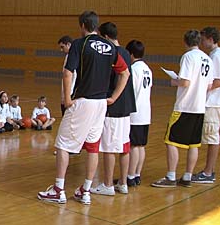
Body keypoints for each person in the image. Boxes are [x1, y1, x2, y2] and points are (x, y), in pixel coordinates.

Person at [38, 11, 129, 205]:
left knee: (62, 145)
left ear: (82, 25)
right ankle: (85, 191)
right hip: (101, 104)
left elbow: (67, 72)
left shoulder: (80, 44)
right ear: (96, 26)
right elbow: (125, 73)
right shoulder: (111, 47)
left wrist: (68, 99)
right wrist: (113, 97)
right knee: (93, 147)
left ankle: (58, 190)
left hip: (83, 101)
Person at [151, 30, 213, 188]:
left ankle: (171, 176)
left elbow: (185, 82)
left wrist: (174, 81)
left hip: (185, 106)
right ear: (198, 42)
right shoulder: (207, 59)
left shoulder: (188, 57)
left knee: (170, 141)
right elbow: (210, 85)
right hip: (199, 107)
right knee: (193, 144)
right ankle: (187, 176)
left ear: (185, 42)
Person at [91, 22, 137, 196]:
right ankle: (123, 183)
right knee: (124, 146)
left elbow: (121, 78)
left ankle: (108, 184)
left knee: (109, 147)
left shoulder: (111, 54)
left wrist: (112, 98)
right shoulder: (125, 52)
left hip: (114, 105)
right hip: (126, 107)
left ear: (105, 37)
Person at [192, 27, 220, 184]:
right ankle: (208, 171)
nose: (201, 43)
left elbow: (217, 80)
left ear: (211, 39)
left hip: (213, 103)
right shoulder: (214, 55)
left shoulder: (216, 56)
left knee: (212, 137)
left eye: (203, 39)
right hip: (214, 102)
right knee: (212, 137)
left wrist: (202, 87)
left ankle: (208, 172)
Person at [126, 39, 152, 186]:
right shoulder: (148, 69)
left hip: (135, 113)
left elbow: (131, 91)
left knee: (134, 146)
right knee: (141, 146)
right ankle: (137, 174)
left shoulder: (134, 69)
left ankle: (130, 176)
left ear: (131, 54)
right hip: (145, 112)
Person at [58, 35, 75, 115]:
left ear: (68, 44)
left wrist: (68, 94)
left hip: (70, 92)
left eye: (62, 47)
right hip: (66, 91)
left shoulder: (73, 57)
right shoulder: (68, 56)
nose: (61, 50)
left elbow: (72, 76)